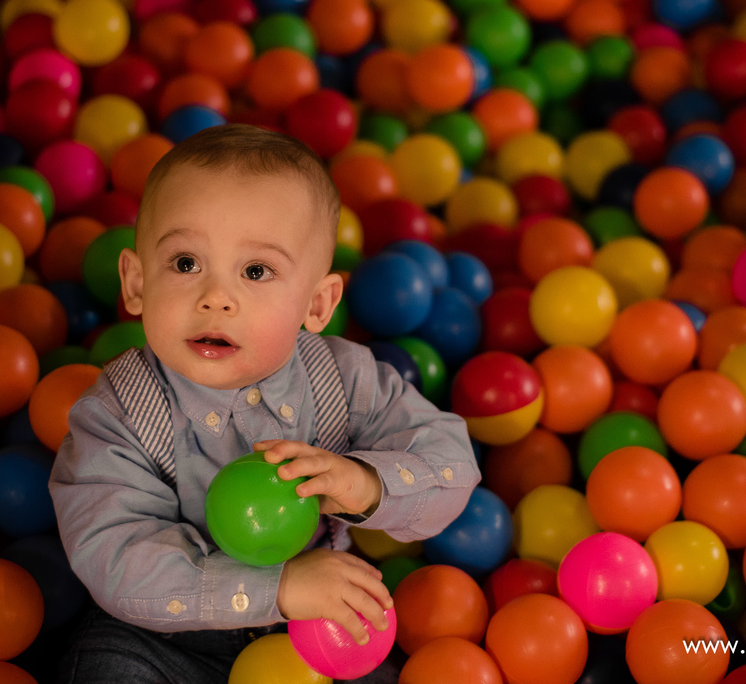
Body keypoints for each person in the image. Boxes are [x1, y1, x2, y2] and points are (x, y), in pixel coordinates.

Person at [49, 123, 480, 684]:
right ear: (135, 282)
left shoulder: (342, 379)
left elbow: (453, 462)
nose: (216, 298)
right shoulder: (119, 412)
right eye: (185, 263)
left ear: (317, 304)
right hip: (164, 638)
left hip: (314, 632)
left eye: (256, 271)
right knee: (106, 668)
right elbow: (115, 557)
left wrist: (365, 484)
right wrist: (278, 586)